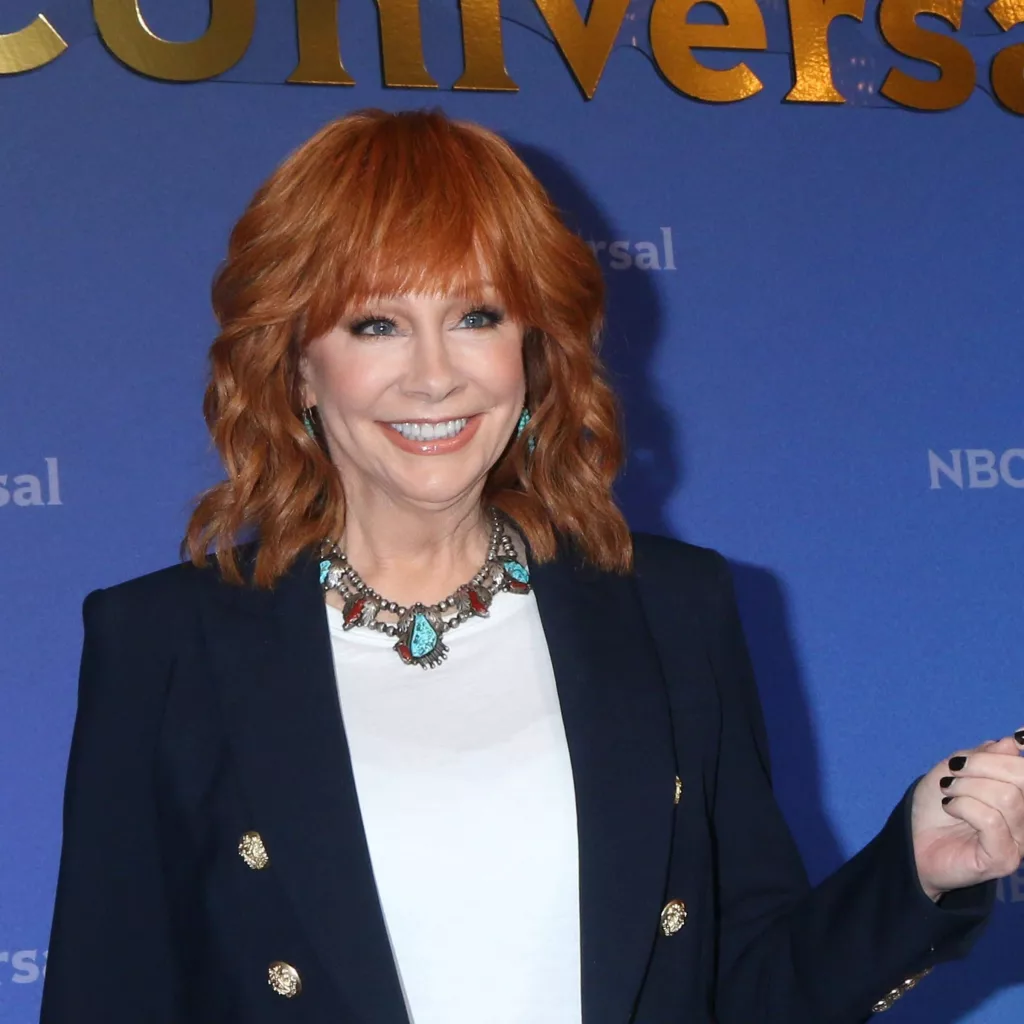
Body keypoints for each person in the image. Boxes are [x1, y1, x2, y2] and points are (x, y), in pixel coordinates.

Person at [40, 108, 1023, 1024]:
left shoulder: (670, 610)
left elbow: (745, 984)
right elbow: (107, 991)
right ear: (296, 363)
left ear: (535, 347)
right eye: (374, 323)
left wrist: (918, 871)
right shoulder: (163, 642)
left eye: (477, 315)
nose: (435, 374)